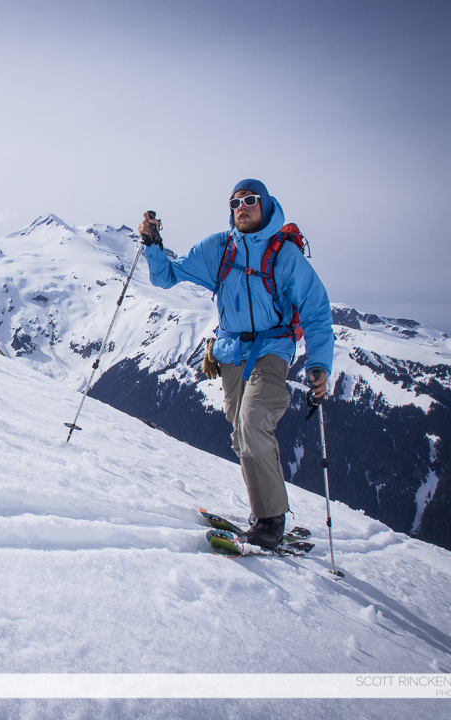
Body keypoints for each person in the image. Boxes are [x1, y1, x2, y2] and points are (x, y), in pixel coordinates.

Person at [138, 179, 334, 548]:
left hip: (273, 348)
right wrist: (152, 243)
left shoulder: (284, 256)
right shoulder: (219, 249)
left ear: (266, 205)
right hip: (231, 353)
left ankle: (271, 519)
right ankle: (263, 511)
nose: (241, 207)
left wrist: (319, 365)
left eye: (249, 200)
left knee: (253, 420)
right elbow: (166, 276)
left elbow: (317, 312)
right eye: (235, 202)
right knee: (240, 429)